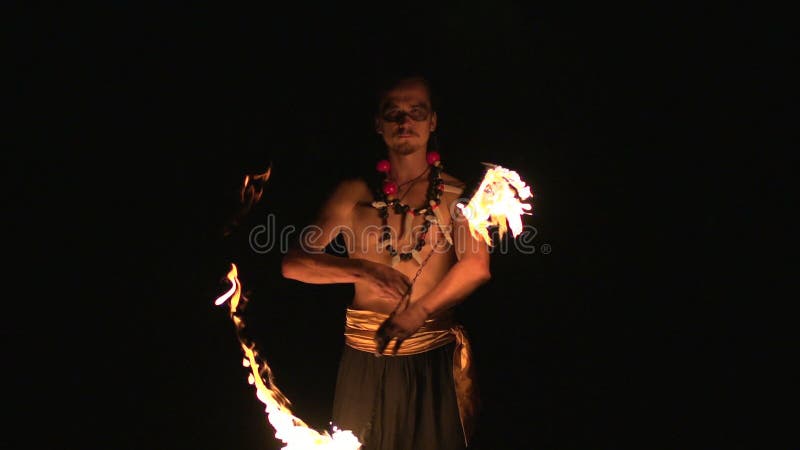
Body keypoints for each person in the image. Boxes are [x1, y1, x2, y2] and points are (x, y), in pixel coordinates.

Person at [281, 75, 491, 450]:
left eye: (415, 112)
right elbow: (295, 263)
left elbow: (476, 266)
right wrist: (362, 269)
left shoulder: (459, 196)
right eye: (393, 114)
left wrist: (419, 311)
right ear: (379, 124)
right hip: (365, 359)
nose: (404, 122)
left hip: (432, 362)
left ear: (433, 122)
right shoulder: (353, 196)